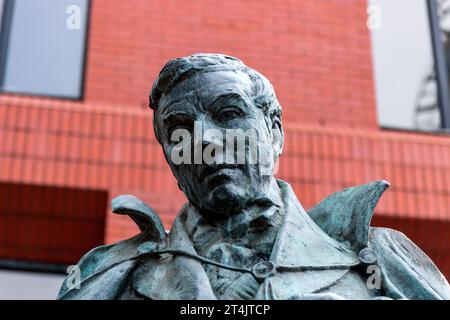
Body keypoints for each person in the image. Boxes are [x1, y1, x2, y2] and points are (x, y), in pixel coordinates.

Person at [57, 54, 450, 300]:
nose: (204, 141)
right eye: (180, 130)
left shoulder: (380, 263)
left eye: (229, 115)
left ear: (274, 133)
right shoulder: (109, 278)